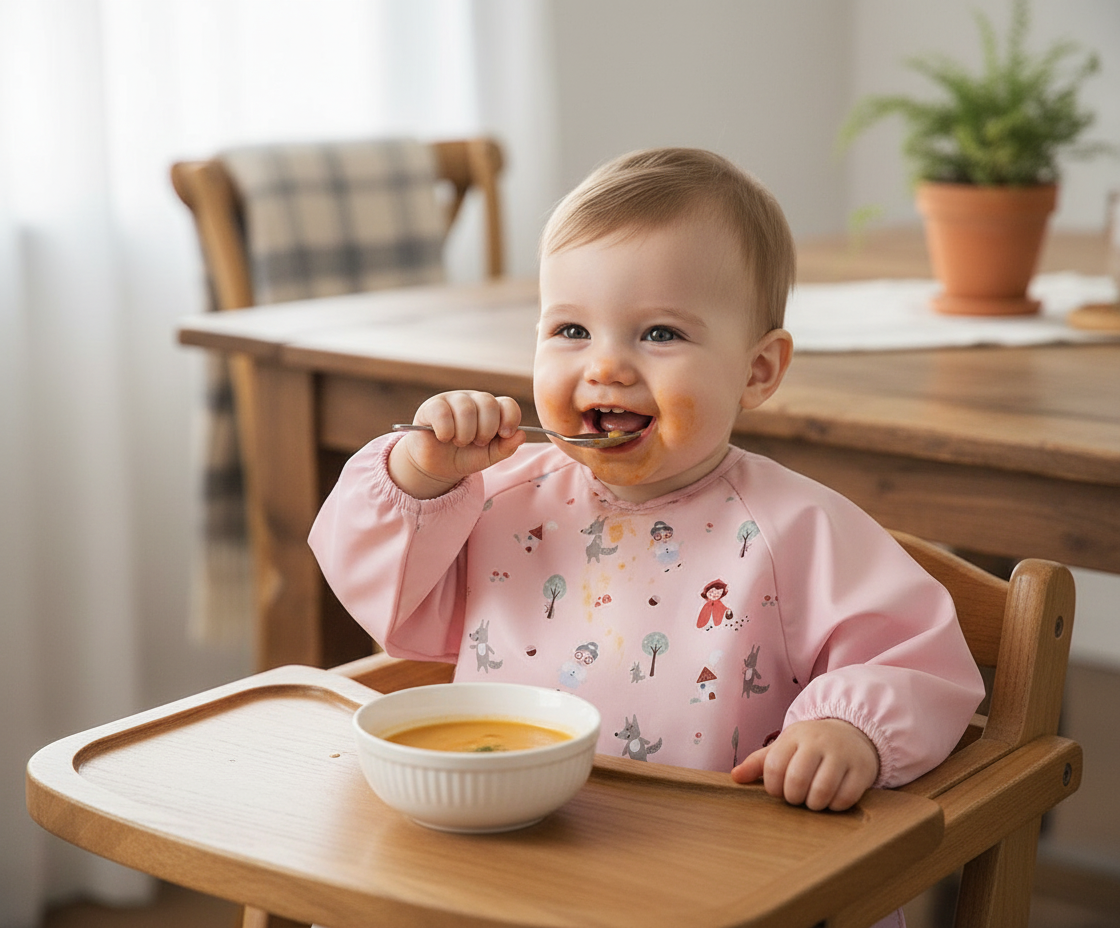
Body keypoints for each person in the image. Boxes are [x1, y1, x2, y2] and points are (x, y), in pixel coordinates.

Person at [309, 148, 984, 820]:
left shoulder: (796, 528)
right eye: (571, 329)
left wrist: (847, 730)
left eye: (660, 333)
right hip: (504, 831)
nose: (605, 365)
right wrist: (418, 476)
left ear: (757, 371)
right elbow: (388, 597)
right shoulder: (496, 498)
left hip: (705, 861)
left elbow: (915, 661)